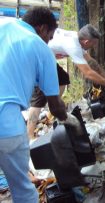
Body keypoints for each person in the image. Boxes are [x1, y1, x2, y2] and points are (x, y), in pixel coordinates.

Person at [0, 7, 69, 203]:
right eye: (50, 36)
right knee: (23, 190)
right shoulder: (39, 46)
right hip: (6, 127)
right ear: (42, 28)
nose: (49, 41)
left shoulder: (3, 27)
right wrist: (70, 122)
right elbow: (55, 106)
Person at [27, 24, 105, 139]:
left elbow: (91, 62)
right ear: (87, 41)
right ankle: (29, 137)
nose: (94, 46)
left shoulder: (77, 39)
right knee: (40, 98)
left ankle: (54, 108)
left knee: (63, 78)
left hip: (46, 58)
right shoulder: (72, 45)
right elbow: (88, 73)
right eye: (94, 43)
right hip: (34, 59)